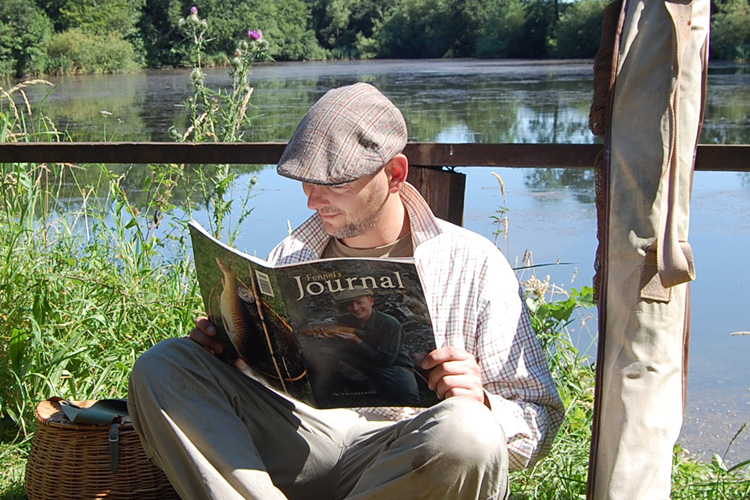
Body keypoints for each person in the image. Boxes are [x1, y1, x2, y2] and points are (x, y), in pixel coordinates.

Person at [128, 82, 564, 500]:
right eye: (307, 182)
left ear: (394, 174)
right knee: (164, 366)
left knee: (469, 431)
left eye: (336, 184)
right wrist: (234, 353)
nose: (314, 201)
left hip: (408, 457)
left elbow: (539, 418)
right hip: (307, 444)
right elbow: (278, 387)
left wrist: (482, 400)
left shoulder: (474, 263)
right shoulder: (293, 253)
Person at [300, 287, 421, 406]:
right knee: (323, 352)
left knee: (407, 394)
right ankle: (365, 383)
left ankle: (375, 384)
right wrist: (326, 337)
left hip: (391, 365)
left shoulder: (390, 323)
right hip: (359, 362)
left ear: (371, 302)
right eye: (350, 305)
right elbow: (338, 345)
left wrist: (357, 340)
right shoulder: (344, 320)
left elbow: (385, 360)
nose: (355, 308)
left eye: (359, 303)